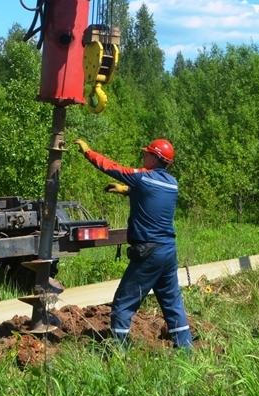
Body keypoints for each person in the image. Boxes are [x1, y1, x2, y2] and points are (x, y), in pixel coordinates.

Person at [74, 137, 193, 349]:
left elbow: (113, 168)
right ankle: (186, 349)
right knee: (172, 304)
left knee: (123, 303)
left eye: (146, 153)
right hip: (168, 252)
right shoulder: (173, 184)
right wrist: (127, 191)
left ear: (155, 158)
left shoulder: (143, 178)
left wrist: (88, 152)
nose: (143, 156)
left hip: (148, 252)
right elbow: (152, 196)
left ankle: (119, 352)